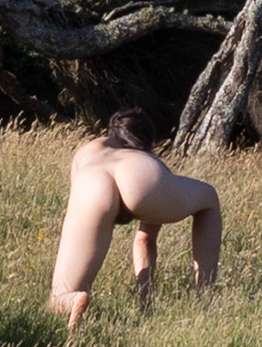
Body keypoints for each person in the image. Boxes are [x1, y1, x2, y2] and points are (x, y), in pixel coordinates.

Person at [52, 114, 223, 327]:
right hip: (139, 180)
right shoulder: (146, 160)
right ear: (149, 143)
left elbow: (79, 213)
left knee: (58, 296)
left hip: (90, 184)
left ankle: (73, 299)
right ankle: (205, 298)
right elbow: (145, 240)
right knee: (209, 198)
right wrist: (145, 301)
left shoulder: (88, 150)